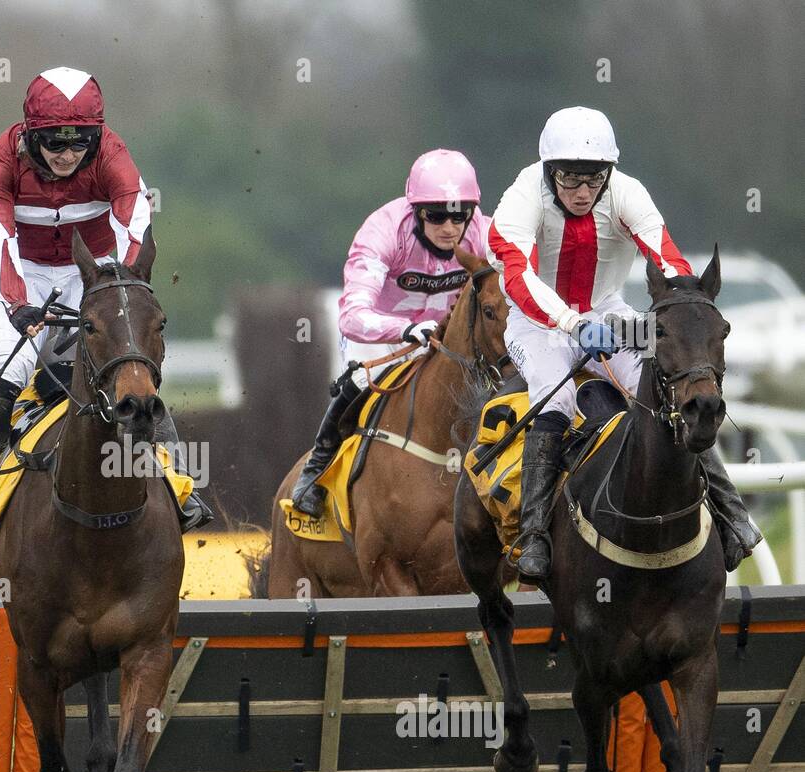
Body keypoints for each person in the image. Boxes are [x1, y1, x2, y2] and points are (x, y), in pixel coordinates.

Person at [487, 105, 761, 580]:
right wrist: (572, 324)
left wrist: (689, 307)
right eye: (571, 180)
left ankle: (731, 515)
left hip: (610, 316)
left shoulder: (627, 192)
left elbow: (669, 260)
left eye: (594, 180)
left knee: (672, 387)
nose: (583, 192)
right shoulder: (521, 195)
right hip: (539, 324)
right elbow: (517, 277)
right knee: (558, 397)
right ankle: (533, 533)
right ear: (550, 172)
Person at [0, 66, 212, 537]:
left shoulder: (113, 155)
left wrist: (125, 283)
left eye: (81, 143)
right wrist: (17, 304)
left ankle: (181, 484)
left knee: (123, 362)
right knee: (10, 371)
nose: (69, 155)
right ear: (31, 136)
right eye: (55, 143)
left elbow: (136, 220)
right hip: (22, 270)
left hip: (90, 270)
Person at [290, 149, 491, 517]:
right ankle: (316, 470)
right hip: (384, 337)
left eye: (460, 214)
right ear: (415, 211)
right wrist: (407, 329)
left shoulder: (485, 232)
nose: (450, 227)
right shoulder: (382, 231)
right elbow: (352, 316)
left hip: (449, 341)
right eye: (436, 216)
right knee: (363, 380)